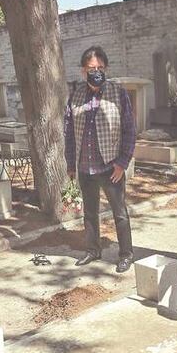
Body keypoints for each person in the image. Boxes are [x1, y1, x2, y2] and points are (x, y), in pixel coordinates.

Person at [64, 45, 137, 273]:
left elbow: (130, 129)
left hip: (110, 167)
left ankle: (126, 254)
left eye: (100, 67)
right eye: (91, 68)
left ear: (106, 69)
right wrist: (70, 164)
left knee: (120, 214)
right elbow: (68, 131)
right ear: (83, 71)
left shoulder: (118, 93)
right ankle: (93, 250)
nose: (96, 71)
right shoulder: (75, 95)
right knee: (90, 213)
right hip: (85, 167)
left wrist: (122, 162)